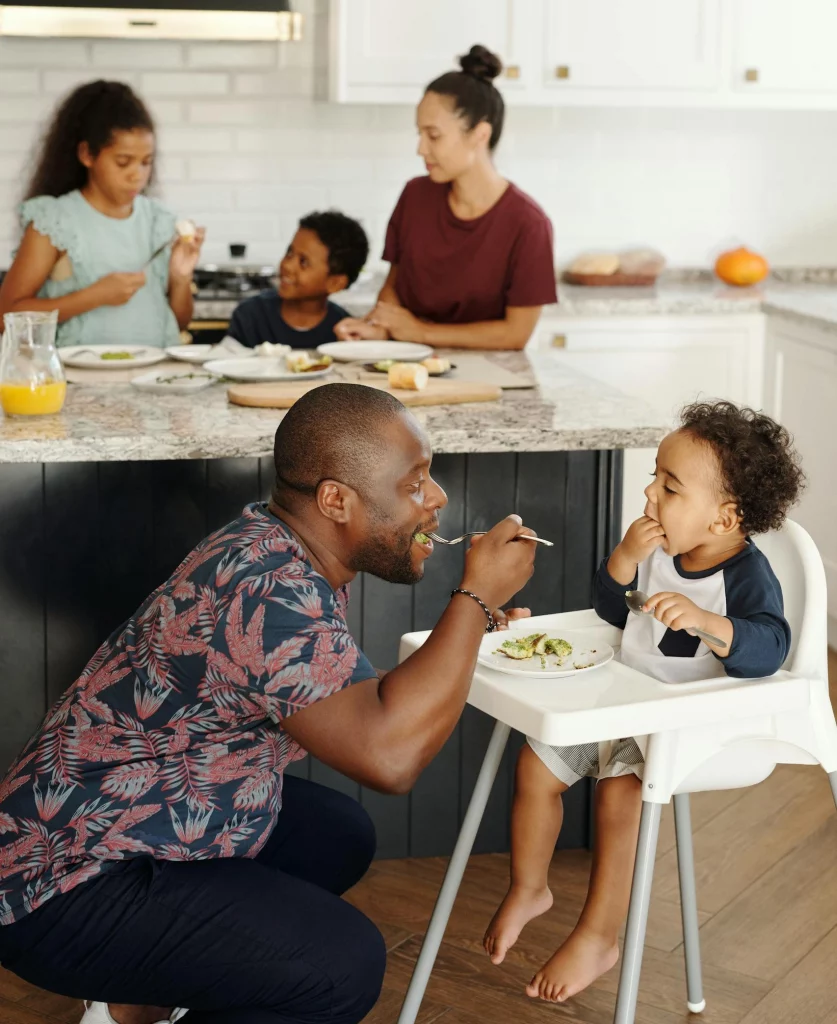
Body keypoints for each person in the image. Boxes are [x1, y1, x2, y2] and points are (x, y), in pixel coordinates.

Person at [0, 382, 538, 1024]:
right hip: (60, 882)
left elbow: (351, 701)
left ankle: (128, 1005)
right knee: (340, 968)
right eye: (415, 481)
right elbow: (389, 756)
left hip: (137, 814)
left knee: (336, 836)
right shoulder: (268, 587)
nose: (437, 498)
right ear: (335, 499)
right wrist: (473, 602)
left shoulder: (274, 544)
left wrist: (469, 631)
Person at [484, 400, 805, 1005]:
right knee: (536, 765)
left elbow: (770, 647)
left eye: (670, 486)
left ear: (724, 518)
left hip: (680, 726)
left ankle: (600, 933)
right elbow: (612, 614)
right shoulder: (658, 549)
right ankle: (529, 887)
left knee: (621, 792)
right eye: (655, 476)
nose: (650, 494)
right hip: (619, 702)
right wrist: (623, 562)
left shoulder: (745, 577)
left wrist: (712, 622)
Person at [335, 44, 557, 352]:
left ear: (480, 134)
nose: (421, 149)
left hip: (489, 373)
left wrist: (421, 332)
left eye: (434, 135)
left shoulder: (529, 224)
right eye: (419, 134)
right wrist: (379, 329)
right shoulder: (415, 195)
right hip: (405, 363)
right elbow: (394, 287)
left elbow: (515, 334)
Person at [0, 80, 204, 349]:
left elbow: (178, 323)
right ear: (87, 154)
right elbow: (7, 318)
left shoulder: (159, 221)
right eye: (123, 162)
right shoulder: (55, 221)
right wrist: (94, 296)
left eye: (146, 162)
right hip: (80, 384)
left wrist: (180, 279)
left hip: (154, 379)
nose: (137, 175)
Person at [227, 211, 368, 350]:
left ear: (335, 283)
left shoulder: (344, 332)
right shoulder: (250, 316)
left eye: (303, 262)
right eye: (289, 253)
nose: (287, 265)